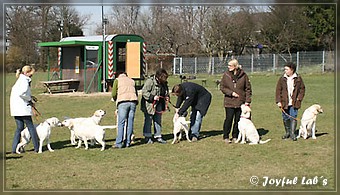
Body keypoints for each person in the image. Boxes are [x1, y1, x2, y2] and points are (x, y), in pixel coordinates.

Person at [220, 59, 252, 144]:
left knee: (238, 120)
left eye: (230, 65)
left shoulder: (244, 75)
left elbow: (248, 89)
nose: (228, 67)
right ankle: (226, 136)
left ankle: (235, 136)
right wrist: (231, 93)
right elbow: (222, 87)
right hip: (229, 102)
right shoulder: (226, 75)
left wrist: (247, 101)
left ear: (235, 66)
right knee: (228, 119)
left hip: (240, 102)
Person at [10, 65, 39, 153]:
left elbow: (22, 93)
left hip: (16, 109)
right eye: (31, 74)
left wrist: (30, 96)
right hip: (22, 108)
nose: (31, 76)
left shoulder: (19, 80)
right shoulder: (24, 81)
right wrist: (30, 100)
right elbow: (22, 93)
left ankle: (14, 149)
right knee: (31, 127)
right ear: (27, 73)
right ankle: (37, 147)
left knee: (19, 128)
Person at [276, 62, 305, 141]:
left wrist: (299, 98)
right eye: (285, 69)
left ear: (292, 70)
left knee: (293, 116)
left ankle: (292, 133)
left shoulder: (298, 78)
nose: (285, 71)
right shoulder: (282, 79)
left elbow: (302, 89)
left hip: (294, 102)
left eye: (287, 69)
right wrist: (278, 101)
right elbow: (278, 90)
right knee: (285, 117)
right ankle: (287, 132)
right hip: (284, 102)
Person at [140, 68, 169, 144]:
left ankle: (158, 136)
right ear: (158, 77)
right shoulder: (150, 81)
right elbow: (144, 92)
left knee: (158, 120)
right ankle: (147, 137)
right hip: (149, 105)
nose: (164, 80)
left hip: (159, 104)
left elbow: (165, 90)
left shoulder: (164, 83)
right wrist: (152, 97)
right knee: (148, 120)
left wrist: (166, 96)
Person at [111, 72, 138, 148]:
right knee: (130, 123)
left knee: (121, 123)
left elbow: (113, 93)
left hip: (123, 102)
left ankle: (119, 143)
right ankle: (128, 142)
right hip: (133, 102)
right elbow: (136, 92)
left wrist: (115, 98)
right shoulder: (132, 80)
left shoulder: (117, 80)